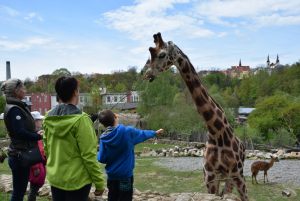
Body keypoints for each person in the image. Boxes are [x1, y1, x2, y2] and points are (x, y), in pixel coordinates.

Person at [43, 76, 105, 201]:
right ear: (75, 92)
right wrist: (99, 182)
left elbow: (47, 148)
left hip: (56, 178)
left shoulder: (48, 117)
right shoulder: (82, 120)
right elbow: (89, 155)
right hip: (77, 182)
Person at [97, 109, 164, 201]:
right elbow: (142, 134)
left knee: (112, 198)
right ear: (115, 117)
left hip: (112, 177)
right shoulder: (127, 132)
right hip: (125, 176)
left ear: (103, 124)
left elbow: (101, 158)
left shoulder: (103, 138)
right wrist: (154, 133)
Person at [1, 78, 42, 201]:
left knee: (19, 191)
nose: (25, 90)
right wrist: (38, 136)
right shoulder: (14, 109)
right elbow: (20, 132)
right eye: (23, 88)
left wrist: (35, 133)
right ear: (16, 91)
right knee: (18, 193)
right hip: (19, 155)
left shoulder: (16, 106)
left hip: (19, 153)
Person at [28, 111, 46, 201]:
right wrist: (35, 166)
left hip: (40, 161)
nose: (41, 122)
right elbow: (32, 151)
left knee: (36, 185)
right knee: (35, 185)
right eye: (39, 120)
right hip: (35, 163)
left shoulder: (37, 132)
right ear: (34, 121)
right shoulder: (32, 134)